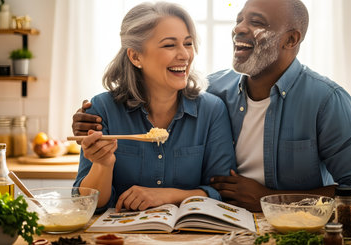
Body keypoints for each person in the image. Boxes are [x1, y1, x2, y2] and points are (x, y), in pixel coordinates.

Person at [72, 0, 351, 212]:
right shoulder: (215, 90)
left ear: (291, 40)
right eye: (239, 20)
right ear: (135, 55)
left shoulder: (326, 100)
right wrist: (89, 127)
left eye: (256, 23)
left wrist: (269, 199)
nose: (239, 29)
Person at [73, 2, 236, 213]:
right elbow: (86, 204)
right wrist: (103, 164)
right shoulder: (101, 110)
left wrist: (166, 195)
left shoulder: (212, 111)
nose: (185, 55)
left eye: (187, 43)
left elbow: (221, 193)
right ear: (135, 56)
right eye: (170, 45)